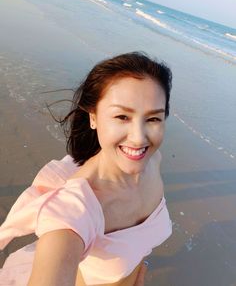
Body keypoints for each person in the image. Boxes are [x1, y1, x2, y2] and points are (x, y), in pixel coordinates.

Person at [0, 52, 173, 285]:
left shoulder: (153, 160)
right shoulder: (74, 209)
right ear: (93, 117)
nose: (138, 138)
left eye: (153, 119)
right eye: (122, 116)